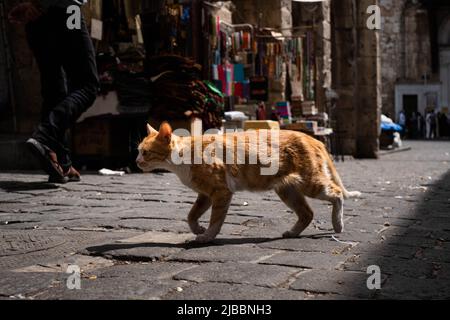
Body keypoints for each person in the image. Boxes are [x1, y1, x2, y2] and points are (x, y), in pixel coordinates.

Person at [8, 1, 98, 183]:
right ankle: (45, 136)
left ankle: (61, 160)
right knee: (88, 86)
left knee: (54, 90)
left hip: (37, 19)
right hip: (65, 11)